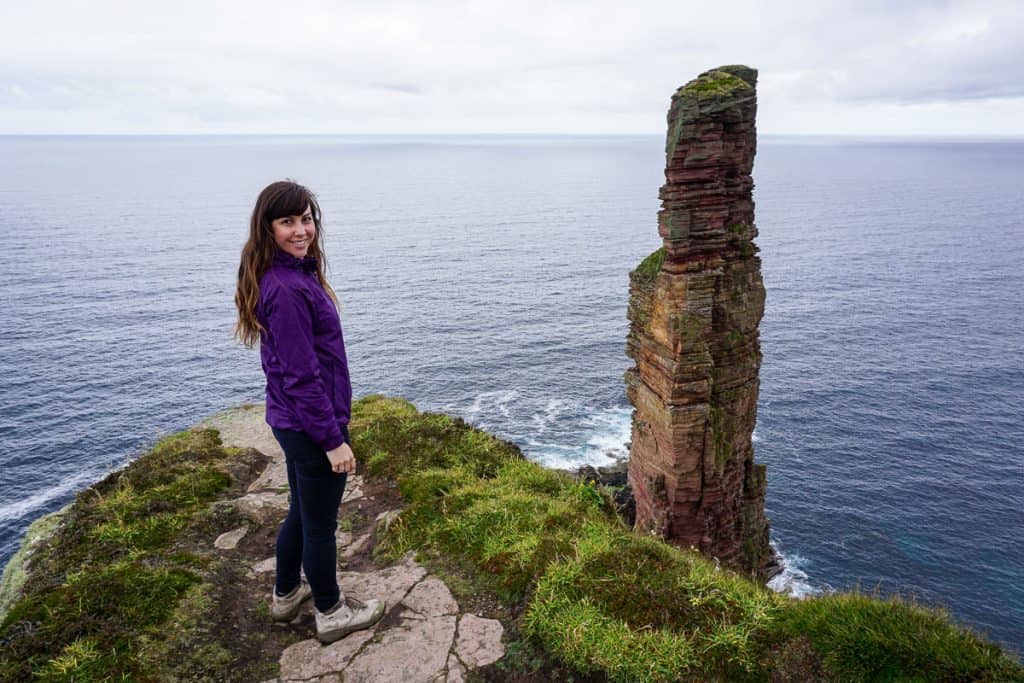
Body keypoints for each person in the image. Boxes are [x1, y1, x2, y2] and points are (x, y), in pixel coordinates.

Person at [234, 180, 384, 644]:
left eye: (306, 219)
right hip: (310, 425)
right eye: (288, 222)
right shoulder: (288, 289)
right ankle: (330, 610)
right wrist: (333, 440)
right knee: (320, 526)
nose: (301, 230)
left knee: (300, 512)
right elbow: (302, 376)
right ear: (267, 228)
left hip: (291, 422)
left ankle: (286, 595)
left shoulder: (286, 275)